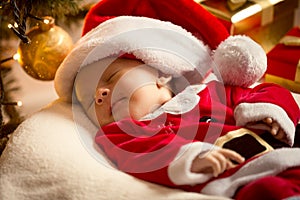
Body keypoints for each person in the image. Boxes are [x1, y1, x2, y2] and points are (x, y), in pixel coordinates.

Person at [53, 0, 300, 199]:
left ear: (160, 74)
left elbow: (265, 91)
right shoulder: (122, 135)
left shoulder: (211, 91)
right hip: (244, 178)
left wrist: (271, 111)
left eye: (110, 77)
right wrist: (190, 157)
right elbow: (145, 155)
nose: (100, 94)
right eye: (88, 100)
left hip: (286, 149)